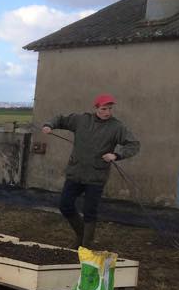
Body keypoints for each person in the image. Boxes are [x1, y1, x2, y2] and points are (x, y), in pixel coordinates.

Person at [42, 94, 140, 248]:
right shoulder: (81, 120)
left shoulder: (116, 127)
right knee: (65, 205)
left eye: (110, 109)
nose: (107, 112)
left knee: (90, 212)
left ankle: (86, 245)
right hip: (76, 173)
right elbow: (60, 119)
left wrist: (116, 155)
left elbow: (133, 144)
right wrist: (49, 125)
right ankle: (81, 234)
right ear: (97, 108)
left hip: (96, 176)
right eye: (104, 109)